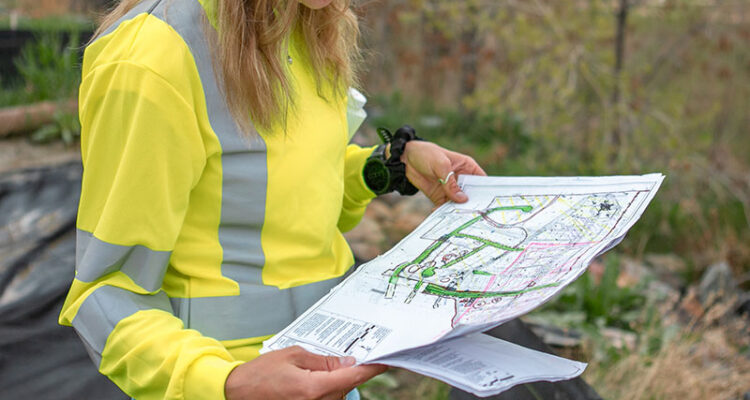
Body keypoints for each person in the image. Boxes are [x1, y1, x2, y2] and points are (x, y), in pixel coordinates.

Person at [58, 0, 485, 399]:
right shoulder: (152, 58)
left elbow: (284, 199)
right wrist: (227, 381)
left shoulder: (307, 24)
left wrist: (389, 167)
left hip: (331, 371)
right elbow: (105, 292)